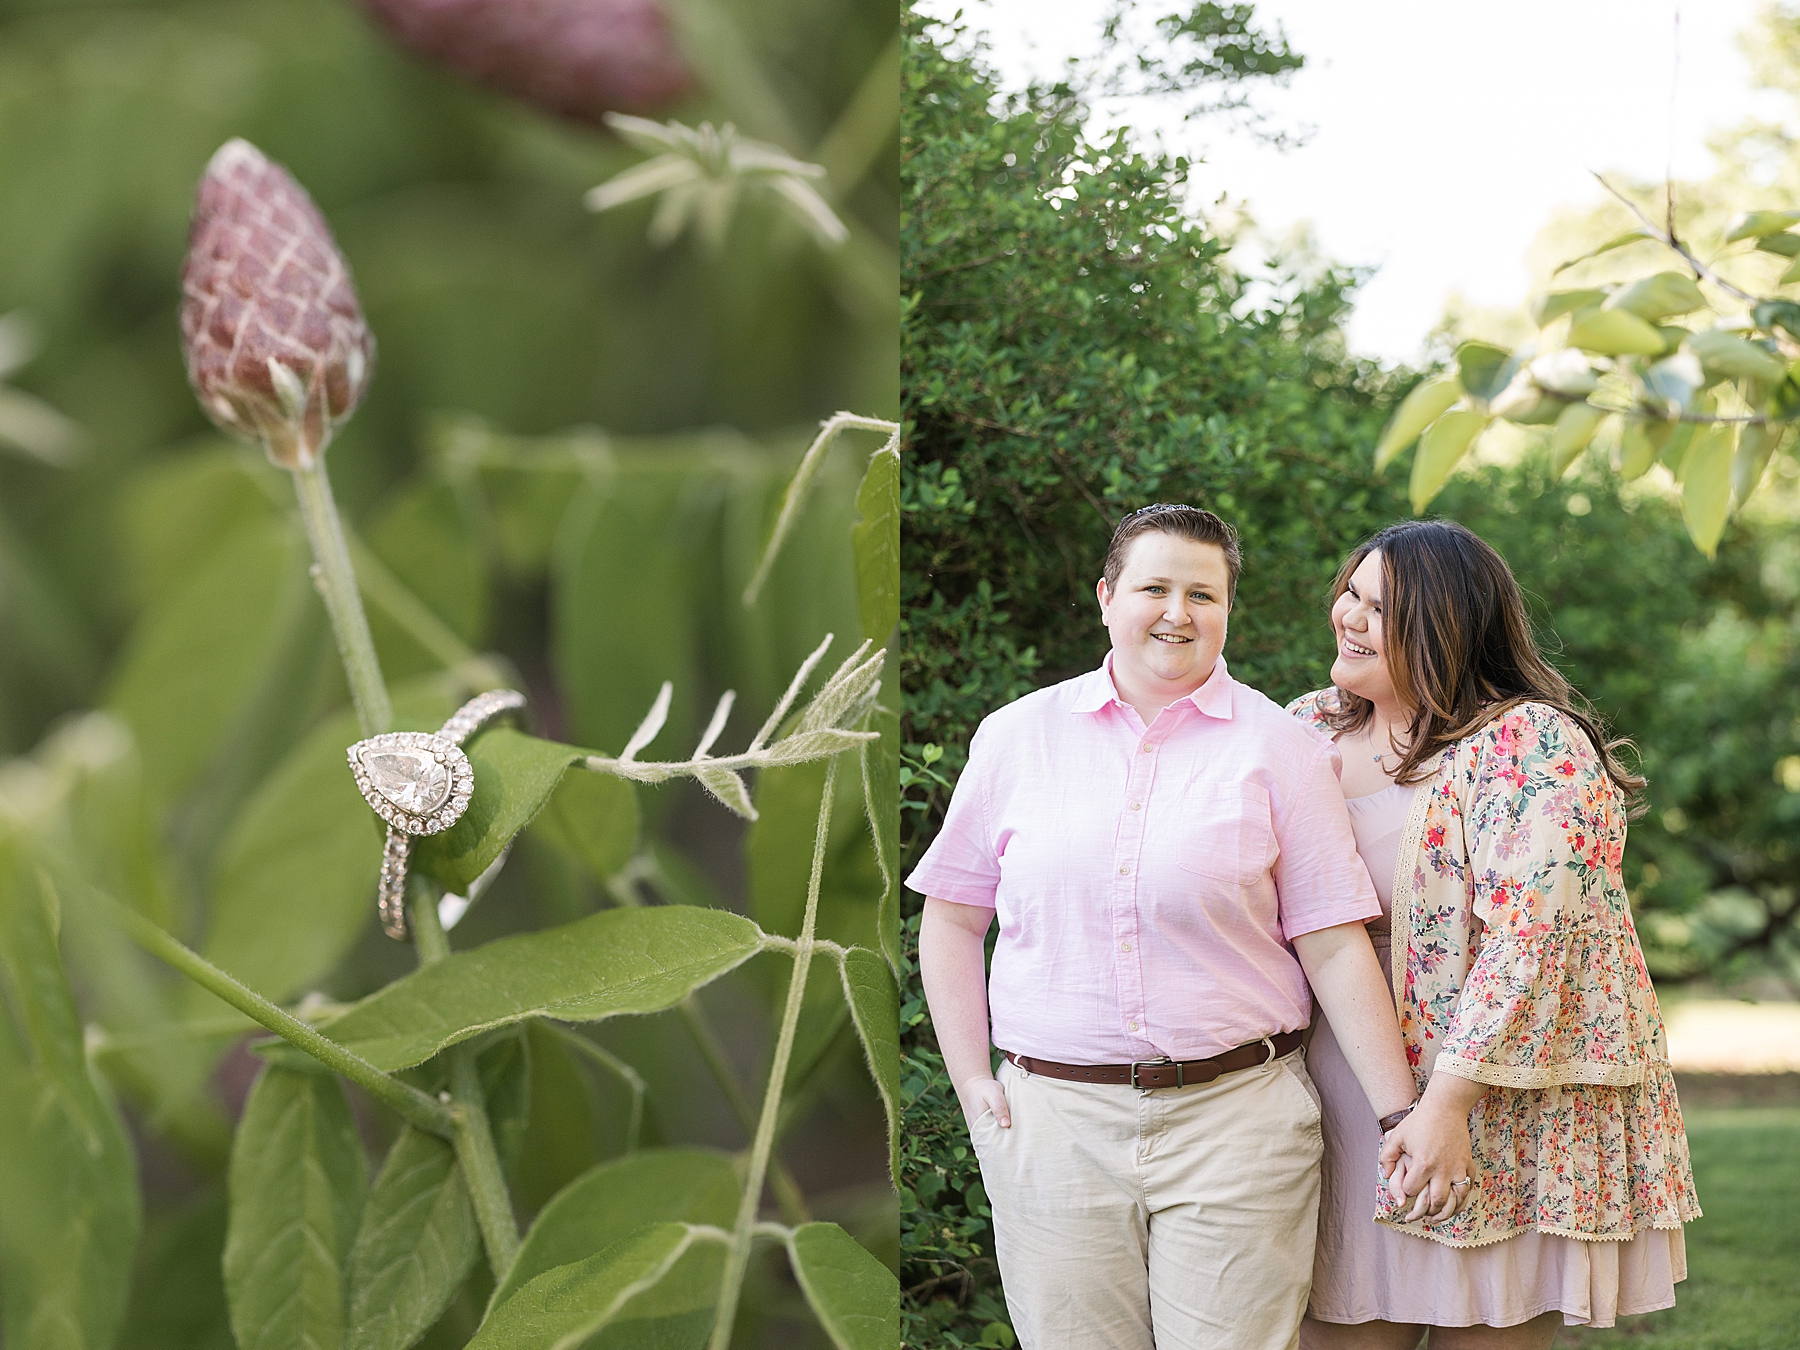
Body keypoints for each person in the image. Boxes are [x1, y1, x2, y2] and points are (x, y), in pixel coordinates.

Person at [909, 504, 1471, 1350]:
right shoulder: (1015, 739)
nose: (1178, 612)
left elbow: (1331, 942)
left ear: (1227, 611)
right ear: (1106, 597)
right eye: (1155, 588)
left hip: (1238, 1123)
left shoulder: (1283, 747)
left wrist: (1401, 1116)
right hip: (1054, 1122)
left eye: (1202, 594)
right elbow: (951, 921)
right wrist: (970, 1085)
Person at [1288, 519, 1702, 1350]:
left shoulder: (1526, 744)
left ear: (1444, 628)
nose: (1348, 615)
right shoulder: (1303, 730)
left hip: (1489, 1100)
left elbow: (1532, 941)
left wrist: (1445, 1105)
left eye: (1381, 607)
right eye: (1351, 593)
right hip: (1335, 1084)